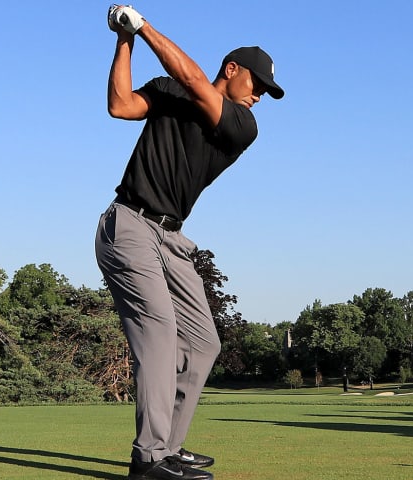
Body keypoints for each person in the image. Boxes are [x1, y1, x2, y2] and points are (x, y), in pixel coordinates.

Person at [95, 5, 284, 480]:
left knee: (202, 344)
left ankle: (169, 448)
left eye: (266, 91)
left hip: (172, 238)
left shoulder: (242, 126)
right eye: (256, 84)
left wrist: (144, 26)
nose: (259, 95)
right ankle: (150, 458)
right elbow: (120, 105)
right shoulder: (168, 91)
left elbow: (197, 82)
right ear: (233, 69)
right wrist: (125, 40)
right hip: (130, 226)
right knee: (158, 337)